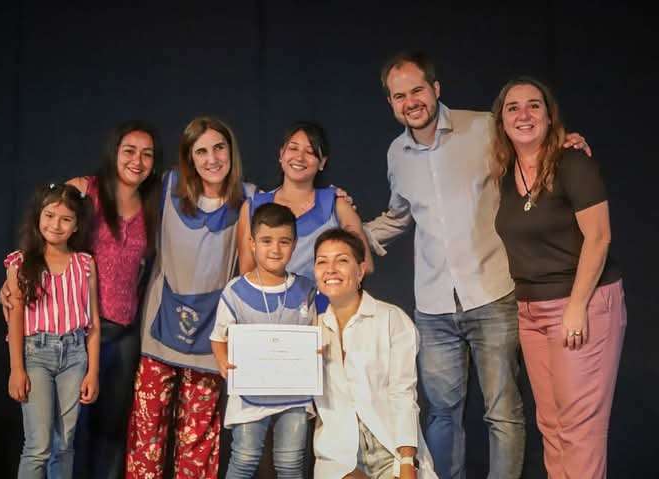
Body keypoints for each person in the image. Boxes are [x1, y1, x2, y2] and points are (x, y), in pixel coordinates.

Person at [363, 50, 591, 479]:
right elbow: (397, 216)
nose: (410, 101)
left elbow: (531, 149)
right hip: (433, 307)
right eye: (399, 96)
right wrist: (347, 228)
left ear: (435, 90)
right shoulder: (397, 154)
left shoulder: (483, 127)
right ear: (391, 104)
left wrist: (565, 143)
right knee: (442, 413)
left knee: (502, 411)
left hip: (492, 292)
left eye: (417, 90)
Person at [1, 120, 162, 479]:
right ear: (114, 153)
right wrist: (9, 286)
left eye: (147, 154)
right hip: (74, 332)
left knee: (110, 429)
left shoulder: (154, 205)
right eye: (129, 151)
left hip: (122, 331)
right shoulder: (85, 189)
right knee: (59, 435)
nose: (137, 160)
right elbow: (46, 239)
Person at [491, 76, 625, 479]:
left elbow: (599, 238)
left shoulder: (572, 163)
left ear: (549, 117)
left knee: (580, 431)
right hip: (531, 312)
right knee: (553, 427)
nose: (524, 114)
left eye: (534, 105)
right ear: (501, 121)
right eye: (513, 107)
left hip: (580, 305)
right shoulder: (506, 174)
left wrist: (577, 306)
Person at [125, 116, 255, 479]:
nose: (212, 158)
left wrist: (337, 202)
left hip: (212, 339)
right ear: (189, 157)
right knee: (147, 435)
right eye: (201, 151)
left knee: (198, 440)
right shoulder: (167, 186)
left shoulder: (250, 197)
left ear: (231, 152)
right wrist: (81, 185)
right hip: (160, 331)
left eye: (219, 148)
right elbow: (118, 189)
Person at [312, 228, 436, 479]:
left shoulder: (391, 319)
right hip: (338, 454)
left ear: (360, 270)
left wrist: (406, 462)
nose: (331, 269)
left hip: (391, 449)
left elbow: (403, 393)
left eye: (342, 260)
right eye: (322, 261)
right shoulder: (311, 330)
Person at [211, 202, 317, 479]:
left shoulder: (306, 289)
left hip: (294, 394)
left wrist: (316, 352)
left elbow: (315, 332)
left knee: (291, 464)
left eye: (284, 241)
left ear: (295, 244)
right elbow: (218, 337)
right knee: (245, 459)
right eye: (267, 241)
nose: (275, 249)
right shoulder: (235, 291)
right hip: (249, 394)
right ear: (252, 243)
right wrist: (224, 363)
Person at [4, 183, 100, 478]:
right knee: (38, 445)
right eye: (49, 216)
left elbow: (93, 323)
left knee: (64, 444)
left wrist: (93, 372)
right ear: (38, 218)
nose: (55, 225)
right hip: (36, 355)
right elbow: (16, 317)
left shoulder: (84, 264)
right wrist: (16, 368)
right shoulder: (20, 263)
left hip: (74, 356)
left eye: (65, 219)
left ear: (76, 226)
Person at [238, 121, 373, 284]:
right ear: (281, 155)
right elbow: (246, 274)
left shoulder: (337, 205)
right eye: (293, 148)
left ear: (322, 162)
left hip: (323, 306)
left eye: (310, 152)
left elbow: (365, 265)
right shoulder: (253, 207)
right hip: (269, 306)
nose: (300, 157)